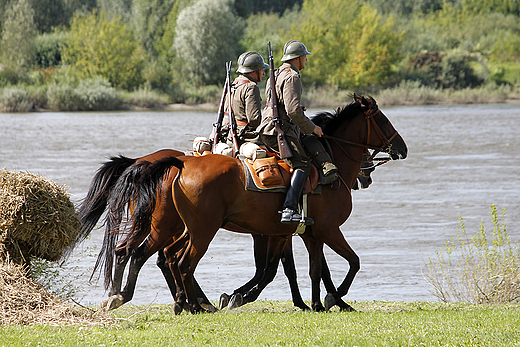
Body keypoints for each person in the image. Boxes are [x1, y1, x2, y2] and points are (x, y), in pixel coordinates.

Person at [256, 40, 337, 225]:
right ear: (298, 58)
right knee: (303, 164)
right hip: (280, 130)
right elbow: (292, 111)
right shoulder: (292, 76)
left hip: (267, 128)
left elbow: (282, 105)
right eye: (305, 57)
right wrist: (312, 128)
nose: (306, 61)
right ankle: (289, 209)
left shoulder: (275, 75)